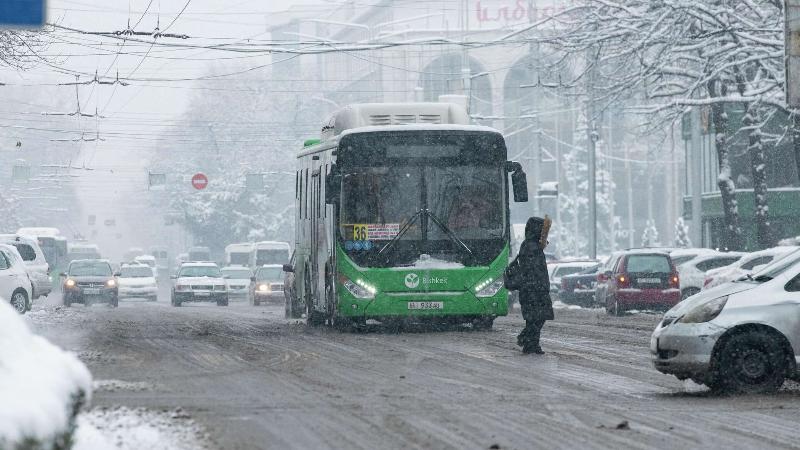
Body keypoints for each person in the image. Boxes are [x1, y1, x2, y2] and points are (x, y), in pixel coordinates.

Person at [504, 216, 554, 354]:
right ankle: (527, 340)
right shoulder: (532, 247)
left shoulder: (529, 245)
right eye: (542, 229)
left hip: (532, 289)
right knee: (537, 318)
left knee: (534, 319)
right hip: (534, 290)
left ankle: (531, 344)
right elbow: (533, 270)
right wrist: (540, 286)